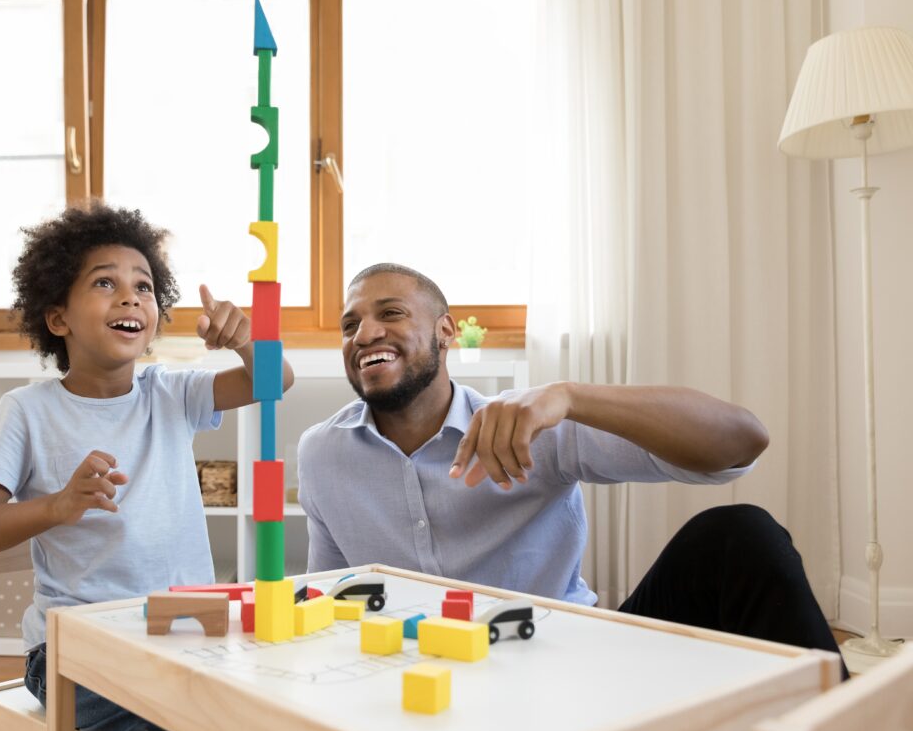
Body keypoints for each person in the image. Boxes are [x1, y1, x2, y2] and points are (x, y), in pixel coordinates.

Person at [297, 262, 845, 677]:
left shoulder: (532, 422)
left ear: (445, 332)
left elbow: (743, 442)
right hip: (423, 684)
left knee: (737, 534)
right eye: (350, 324)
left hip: (573, 666)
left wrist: (570, 397)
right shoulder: (322, 454)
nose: (364, 334)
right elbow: (331, 597)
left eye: (390, 313)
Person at [0, 201, 294, 731]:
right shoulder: (26, 411)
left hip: (185, 634)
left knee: (262, 709)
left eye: (145, 286)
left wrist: (245, 340)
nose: (131, 296)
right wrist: (57, 506)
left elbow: (276, 380)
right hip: (71, 652)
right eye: (105, 283)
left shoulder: (171, 393)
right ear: (58, 317)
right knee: (179, 725)